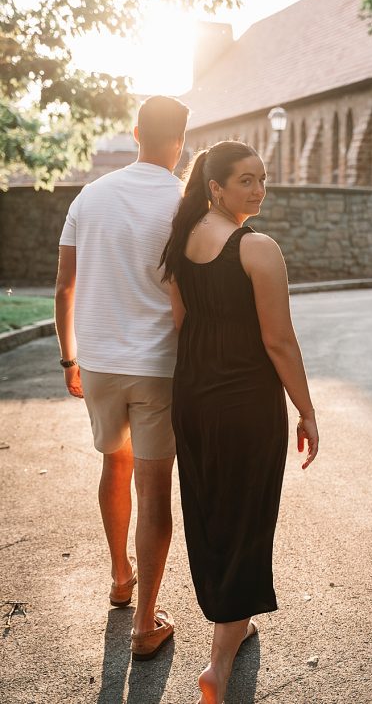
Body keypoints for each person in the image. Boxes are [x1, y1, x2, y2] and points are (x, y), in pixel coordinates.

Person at [159, 140, 319, 704]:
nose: (259, 189)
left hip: (195, 396)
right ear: (216, 188)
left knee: (210, 513)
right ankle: (218, 666)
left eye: (262, 178)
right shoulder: (258, 249)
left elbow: (183, 323)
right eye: (246, 180)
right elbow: (279, 341)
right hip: (247, 403)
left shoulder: (179, 244)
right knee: (248, 519)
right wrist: (306, 409)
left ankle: (234, 621)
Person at [55, 95, 189, 660]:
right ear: (180, 141)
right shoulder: (187, 202)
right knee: (155, 489)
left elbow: (65, 285)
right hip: (161, 365)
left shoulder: (90, 196)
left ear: (135, 133)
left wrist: (70, 358)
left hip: (102, 360)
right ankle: (145, 624)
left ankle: (119, 578)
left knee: (116, 462)